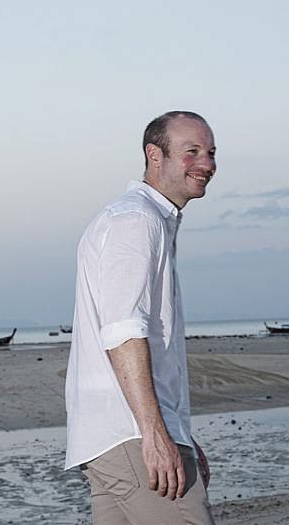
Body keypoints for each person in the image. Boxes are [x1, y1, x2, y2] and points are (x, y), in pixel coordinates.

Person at [65, 111, 217, 524]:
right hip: (130, 435)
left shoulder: (143, 220)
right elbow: (123, 333)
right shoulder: (136, 220)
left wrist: (178, 433)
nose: (206, 164)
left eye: (210, 152)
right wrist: (155, 433)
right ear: (155, 155)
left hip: (117, 438)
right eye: (191, 152)